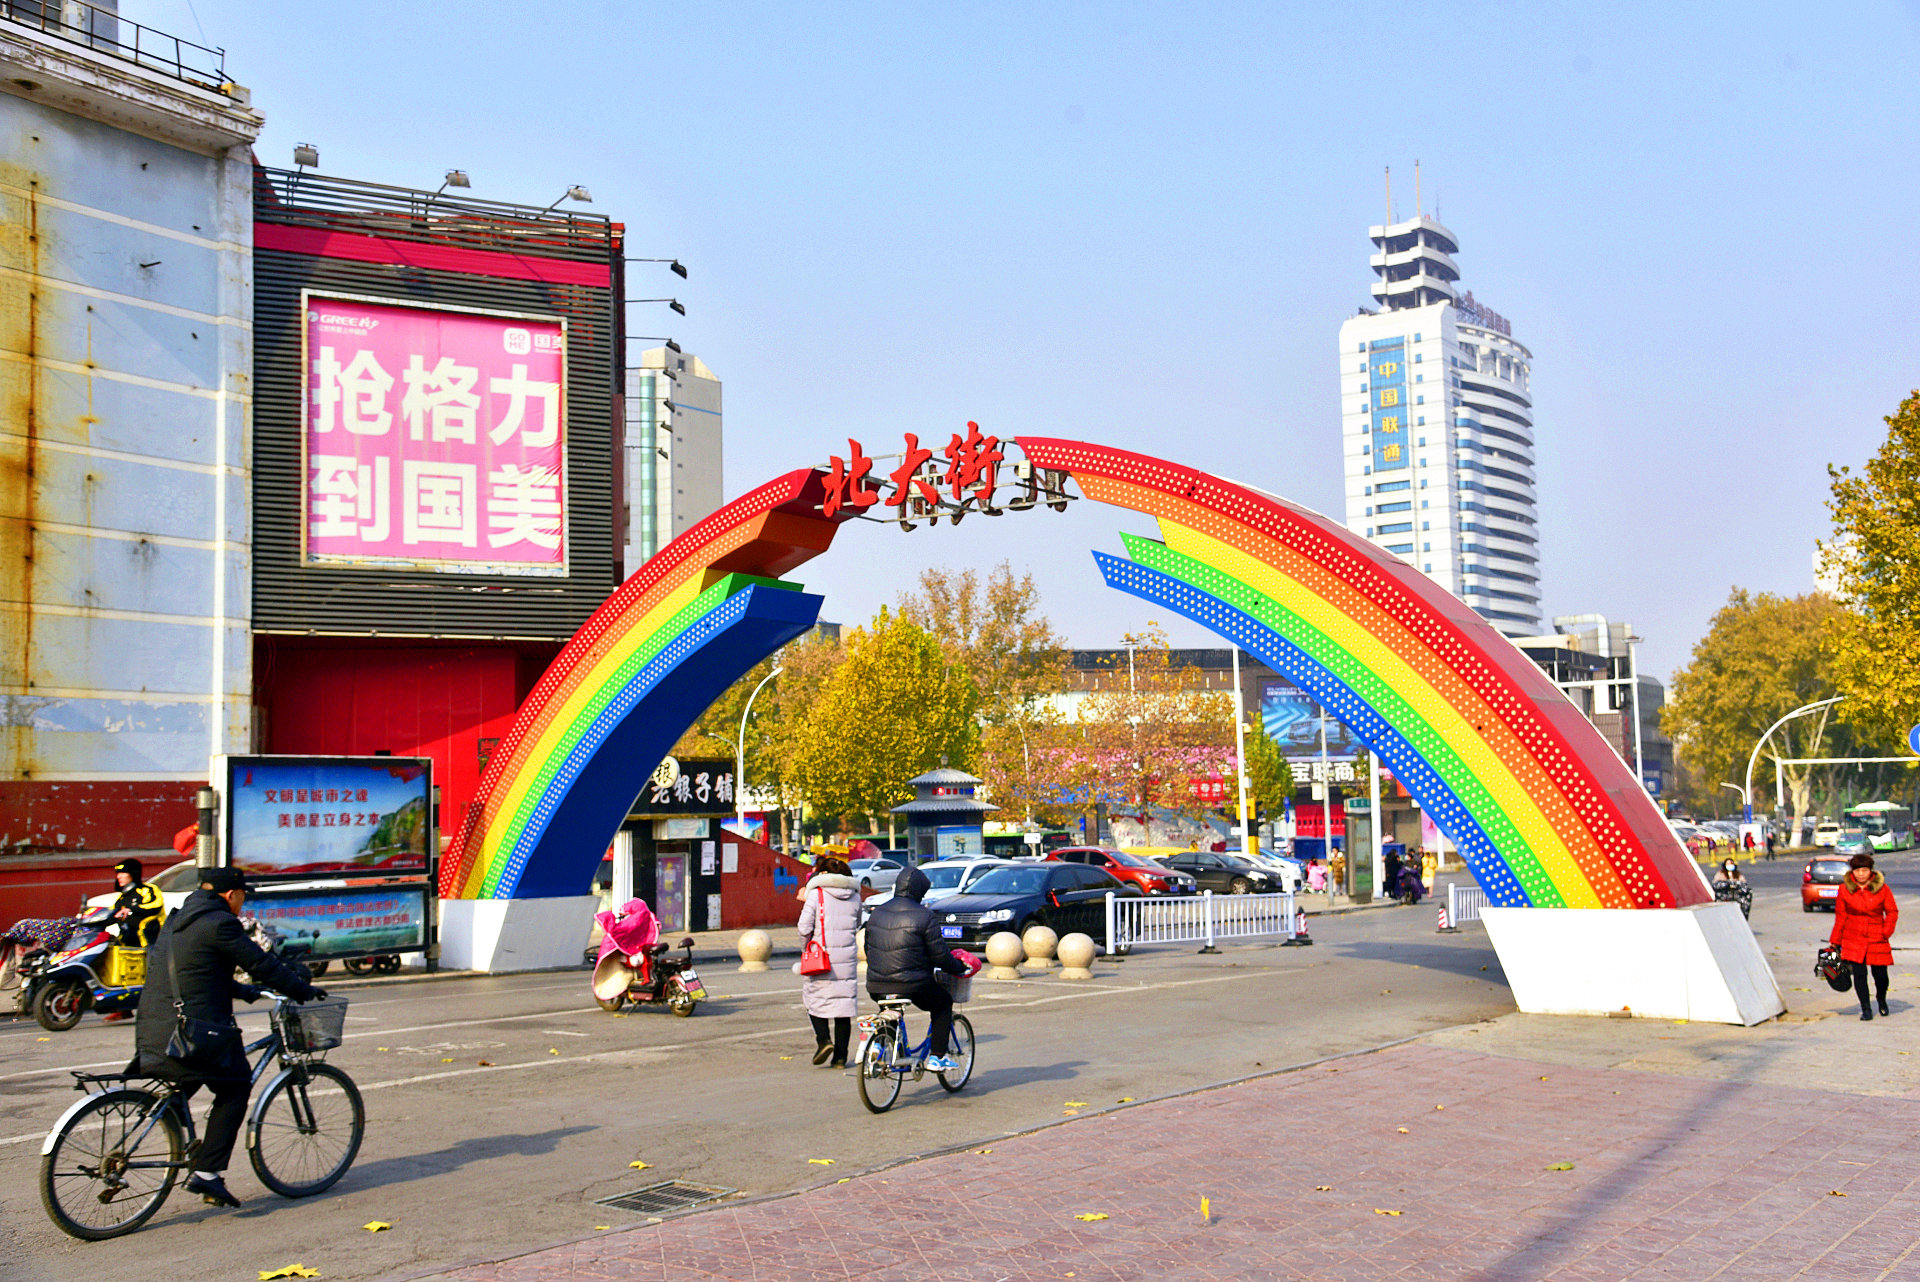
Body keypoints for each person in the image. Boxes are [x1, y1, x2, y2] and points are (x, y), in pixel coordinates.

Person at [132, 867, 325, 1207]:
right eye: (242, 896)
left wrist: (245, 992)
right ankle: (208, 1174)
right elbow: (261, 963)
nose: (242, 902)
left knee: (188, 1081)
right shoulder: (222, 922)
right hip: (192, 1032)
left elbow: (199, 970)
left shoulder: (178, 920)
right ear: (230, 895)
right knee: (236, 1085)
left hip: (156, 1027)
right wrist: (302, 990)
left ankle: (188, 1146)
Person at [863, 866, 968, 1071]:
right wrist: (957, 968)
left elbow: (869, 949)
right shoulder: (925, 915)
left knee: (889, 1008)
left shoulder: (877, 913)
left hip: (876, 984)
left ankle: (878, 1044)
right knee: (943, 1004)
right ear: (920, 891)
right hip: (912, 984)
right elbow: (939, 954)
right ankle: (938, 1057)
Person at [796, 855, 860, 1067]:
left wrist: (806, 946)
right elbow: (857, 924)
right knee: (843, 1007)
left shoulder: (816, 894)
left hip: (821, 957)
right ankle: (841, 1057)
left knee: (814, 999)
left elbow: (804, 927)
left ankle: (823, 1040)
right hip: (847, 959)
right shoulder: (855, 896)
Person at [1831, 852, 1898, 1021]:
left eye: (1864, 870)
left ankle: (1881, 1000)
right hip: (1853, 937)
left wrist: (1886, 931)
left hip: (1877, 935)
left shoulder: (1882, 888)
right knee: (1859, 975)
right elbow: (1841, 916)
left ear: (1871, 871)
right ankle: (1866, 1009)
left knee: (1881, 975)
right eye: (1857, 870)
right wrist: (1835, 941)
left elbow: (1891, 911)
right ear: (1852, 872)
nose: (1861, 874)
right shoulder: (1845, 889)